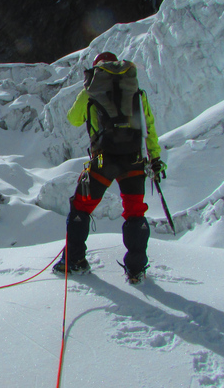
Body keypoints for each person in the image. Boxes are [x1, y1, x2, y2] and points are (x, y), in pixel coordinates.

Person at [53, 52, 165, 283]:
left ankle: (74, 260)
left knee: (81, 207)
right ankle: (136, 269)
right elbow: (149, 126)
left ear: (97, 69)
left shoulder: (91, 91)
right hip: (133, 161)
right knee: (135, 212)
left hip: (103, 161)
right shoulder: (135, 91)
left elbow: (73, 119)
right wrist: (154, 157)